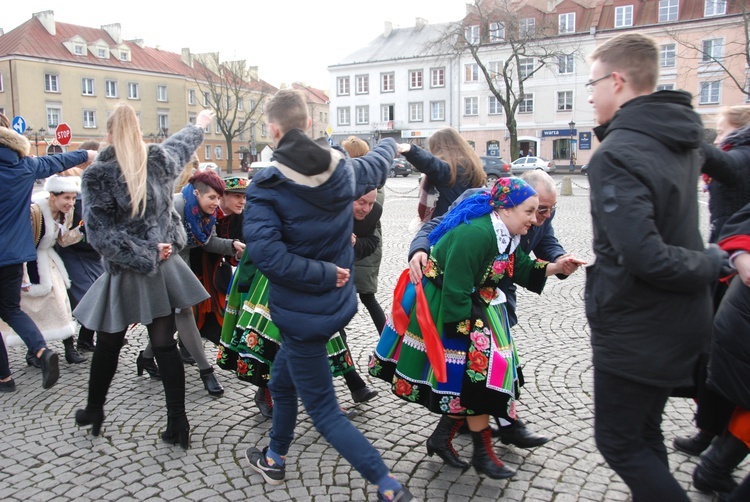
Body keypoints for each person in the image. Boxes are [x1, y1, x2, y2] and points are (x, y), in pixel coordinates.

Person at [241, 89, 412, 501]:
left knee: (325, 412)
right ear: (311, 125)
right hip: (331, 308)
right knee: (282, 381)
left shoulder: (266, 186)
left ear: (274, 129)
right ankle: (275, 457)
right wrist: (392, 141)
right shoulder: (344, 171)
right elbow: (378, 162)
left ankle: (387, 485)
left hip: (303, 316)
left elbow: (266, 255)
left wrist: (321, 273)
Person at [585, 32, 725, 500]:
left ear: (618, 80)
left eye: (593, 84)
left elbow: (645, 256)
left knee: (620, 441)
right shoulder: (678, 134)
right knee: (644, 433)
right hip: (678, 319)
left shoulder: (619, 152)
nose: (590, 95)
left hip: (638, 324)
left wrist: (713, 261)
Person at [370, 177, 582, 479]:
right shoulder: (476, 234)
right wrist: (462, 335)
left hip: (476, 305)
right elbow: (455, 288)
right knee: (473, 377)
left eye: (539, 212)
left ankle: (445, 440)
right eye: (530, 212)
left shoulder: (506, 231)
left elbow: (519, 267)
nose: (535, 221)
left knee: (474, 379)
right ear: (506, 209)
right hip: (448, 306)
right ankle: (480, 453)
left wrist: (557, 267)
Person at [72, 104, 215, 449]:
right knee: (164, 346)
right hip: (161, 267)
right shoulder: (158, 159)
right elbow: (181, 146)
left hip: (129, 269)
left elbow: (100, 236)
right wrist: (199, 125)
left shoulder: (97, 174)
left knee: (109, 342)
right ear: (139, 132)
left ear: (107, 134)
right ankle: (177, 422)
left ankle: (94, 409)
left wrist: (145, 253)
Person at [0, 113, 97, 391]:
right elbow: (56, 162)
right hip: (15, 256)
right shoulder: (24, 166)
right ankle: (42, 351)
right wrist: (86, 154)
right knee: (11, 310)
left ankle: (5, 377)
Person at [673, 105, 750, 456]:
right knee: (712, 351)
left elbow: (727, 167)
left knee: (719, 352)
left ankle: (716, 439)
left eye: (720, 131)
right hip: (727, 256)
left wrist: (687, 134)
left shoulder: (742, 154)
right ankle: (712, 432)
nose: (717, 138)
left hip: (733, 262)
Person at [138, 169, 241, 397]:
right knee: (183, 313)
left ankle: (145, 358)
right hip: (158, 267)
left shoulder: (207, 215)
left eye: (218, 197)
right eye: (212, 197)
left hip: (179, 267)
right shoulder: (173, 206)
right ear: (197, 193)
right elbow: (145, 236)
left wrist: (232, 245)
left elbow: (208, 241)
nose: (216, 203)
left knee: (173, 320)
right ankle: (207, 372)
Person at [690, 202, 750, 497]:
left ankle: (714, 468)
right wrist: (740, 256)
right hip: (742, 325)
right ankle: (713, 467)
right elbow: (737, 224)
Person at [0, 175, 87, 366]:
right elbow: (23, 242)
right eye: (66, 198)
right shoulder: (35, 212)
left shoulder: (67, 213)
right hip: (30, 262)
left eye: (73, 198)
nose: (71, 203)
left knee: (61, 303)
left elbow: (63, 240)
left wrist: (81, 231)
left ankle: (68, 348)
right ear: (52, 196)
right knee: (32, 309)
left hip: (49, 262)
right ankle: (35, 351)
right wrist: (23, 276)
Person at [56, 140, 103, 354]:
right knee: (85, 297)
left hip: (93, 253)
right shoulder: (72, 189)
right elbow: (63, 236)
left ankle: (86, 339)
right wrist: (84, 229)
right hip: (73, 253)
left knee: (100, 295)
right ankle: (72, 344)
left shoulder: (98, 185)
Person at [191, 176, 249, 345]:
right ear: (223, 196)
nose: (242, 202)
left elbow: (236, 251)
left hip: (217, 272)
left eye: (244, 197)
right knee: (188, 312)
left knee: (217, 315)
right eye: (237, 196)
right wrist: (233, 246)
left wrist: (238, 255)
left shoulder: (241, 218)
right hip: (195, 267)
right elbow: (207, 242)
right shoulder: (207, 210)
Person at [342, 136, 387, 335]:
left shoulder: (368, 184)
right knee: (362, 297)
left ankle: (388, 344)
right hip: (363, 247)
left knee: (367, 297)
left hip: (364, 245)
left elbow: (369, 217)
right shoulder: (372, 177)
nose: (366, 207)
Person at [403, 127, 486, 228]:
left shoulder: (448, 170)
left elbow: (431, 164)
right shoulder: (471, 166)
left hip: (447, 225)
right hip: (469, 223)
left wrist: (410, 150)